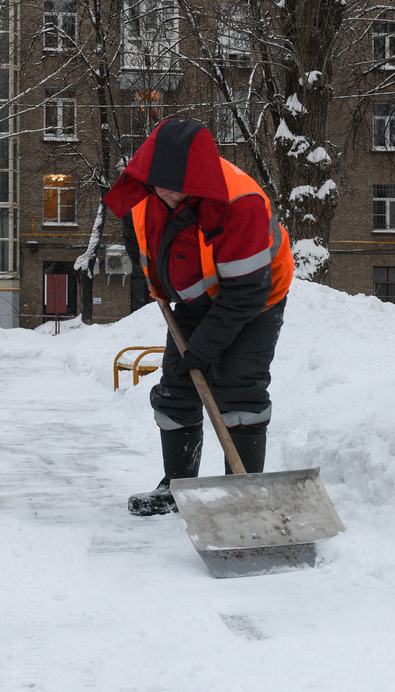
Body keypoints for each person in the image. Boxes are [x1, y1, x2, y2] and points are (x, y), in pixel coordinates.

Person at [103, 118, 294, 516]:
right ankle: (178, 487)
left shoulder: (240, 203)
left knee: (241, 392)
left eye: (178, 185)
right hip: (194, 301)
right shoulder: (142, 195)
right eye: (160, 183)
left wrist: (205, 348)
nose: (168, 192)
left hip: (256, 298)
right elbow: (139, 243)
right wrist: (162, 285)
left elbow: (245, 293)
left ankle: (241, 494)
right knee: (176, 390)